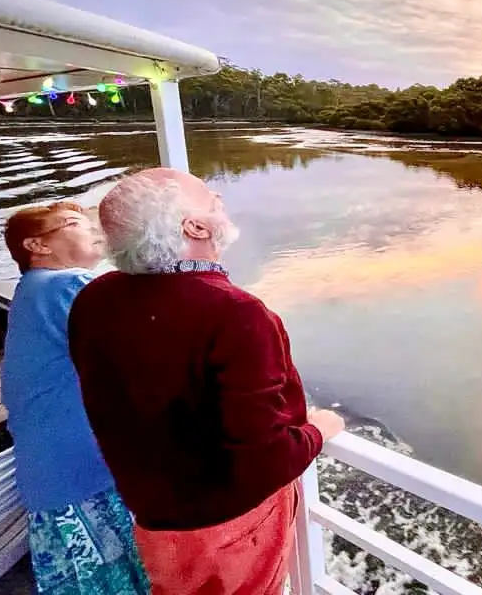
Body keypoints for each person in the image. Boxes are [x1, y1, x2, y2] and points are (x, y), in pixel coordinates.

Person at [68, 168, 344, 595]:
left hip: (155, 518)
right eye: (206, 195)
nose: (217, 194)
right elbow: (264, 462)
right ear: (194, 227)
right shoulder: (235, 314)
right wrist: (320, 429)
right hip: (227, 529)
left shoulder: (94, 299)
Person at [0, 201, 149, 594]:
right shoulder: (64, 286)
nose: (92, 230)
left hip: (54, 481)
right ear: (38, 245)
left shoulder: (34, 293)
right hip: (82, 480)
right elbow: (144, 345)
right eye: (72, 224)